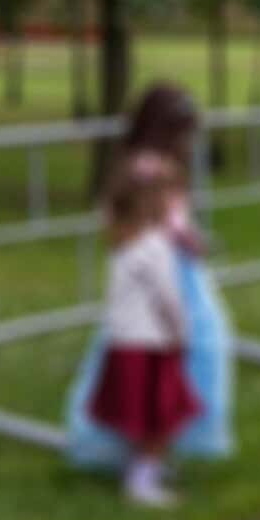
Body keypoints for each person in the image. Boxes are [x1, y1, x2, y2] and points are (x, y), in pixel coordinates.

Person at [65, 84, 235, 476]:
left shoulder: (131, 167)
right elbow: (169, 225)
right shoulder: (157, 173)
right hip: (165, 277)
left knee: (140, 365)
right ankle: (149, 456)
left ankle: (149, 452)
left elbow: (114, 219)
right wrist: (189, 241)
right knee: (173, 361)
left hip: (144, 278)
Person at [86, 160, 200, 507]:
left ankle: (140, 468)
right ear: (152, 201)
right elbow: (167, 295)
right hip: (153, 342)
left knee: (137, 414)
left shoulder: (121, 243)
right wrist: (181, 331)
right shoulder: (154, 245)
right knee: (160, 416)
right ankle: (144, 479)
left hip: (123, 340)